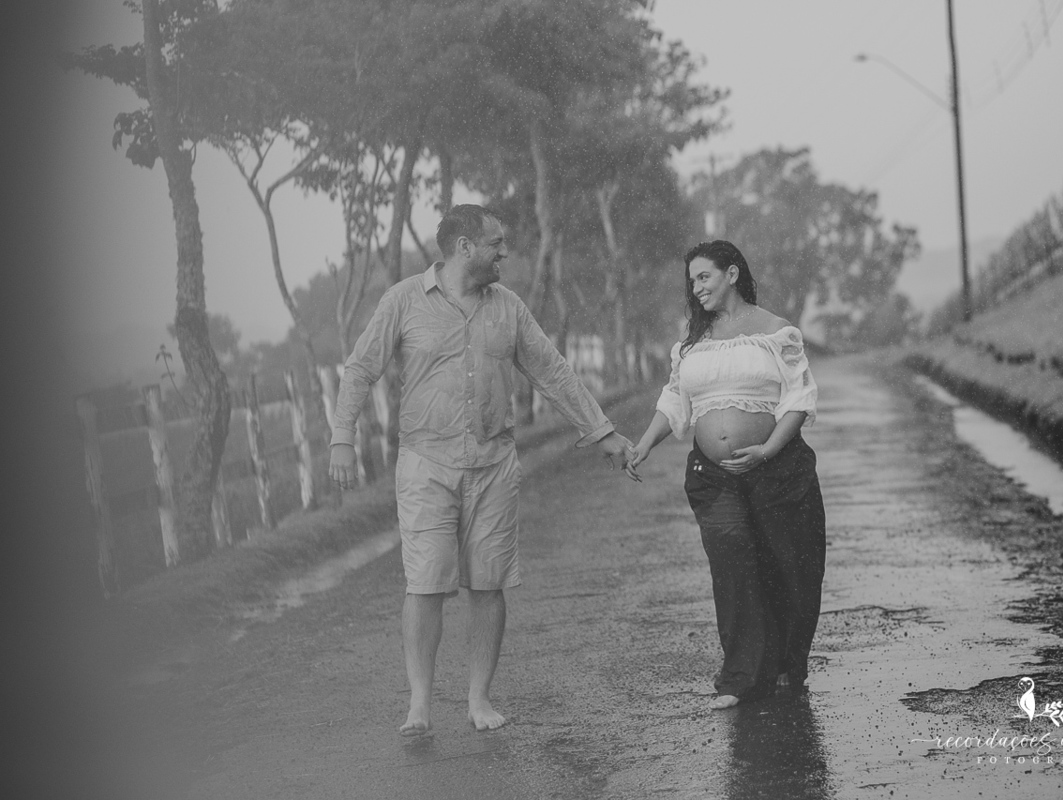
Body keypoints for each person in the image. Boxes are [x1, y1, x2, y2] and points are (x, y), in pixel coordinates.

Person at [328, 204, 635, 735]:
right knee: (425, 584)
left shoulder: (508, 308)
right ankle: (419, 706)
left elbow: (553, 373)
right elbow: (360, 370)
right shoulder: (403, 301)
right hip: (426, 463)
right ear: (465, 246)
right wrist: (342, 440)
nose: (505, 252)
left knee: (488, 585)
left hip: (494, 463)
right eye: (497, 242)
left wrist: (602, 433)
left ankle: (479, 700)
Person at [627, 240, 825, 710]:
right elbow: (675, 399)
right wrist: (643, 445)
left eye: (704, 278)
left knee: (787, 568)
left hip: (777, 469)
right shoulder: (692, 342)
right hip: (713, 478)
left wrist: (767, 449)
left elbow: (799, 397)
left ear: (731, 274)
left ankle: (785, 666)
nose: (696, 290)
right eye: (691, 282)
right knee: (732, 565)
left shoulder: (777, 332)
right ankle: (739, 678)